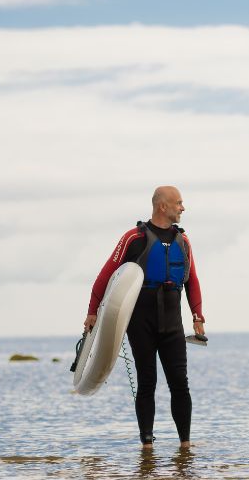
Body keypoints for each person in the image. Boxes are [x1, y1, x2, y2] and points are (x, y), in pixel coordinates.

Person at [85, 186, 205, 450]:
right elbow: (106, 275)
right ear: (163, 206)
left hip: (173, 321)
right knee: (147, 381)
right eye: (179, 203)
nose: (183, 208)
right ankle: (147, 446)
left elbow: (191, 280)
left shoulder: (183, 242)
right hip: (141, 320)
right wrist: (92, 311)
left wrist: (197, 314)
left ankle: (185, 444)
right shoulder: (133, 238)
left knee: (179, 383)